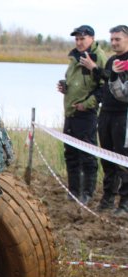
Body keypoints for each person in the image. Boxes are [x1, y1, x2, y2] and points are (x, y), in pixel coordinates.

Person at [57, 25, 106, 205]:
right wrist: (65, 87)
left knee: (87, 154)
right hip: (70, 112)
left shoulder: (98, 57)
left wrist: (87, 104)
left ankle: (87, 193)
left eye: (82, 38)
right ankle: (73, 191)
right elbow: (77, 82)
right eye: (76, 39)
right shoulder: (74, 58)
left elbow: (104, 86)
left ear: (91, 38)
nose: (78, 42)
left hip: (86, 115)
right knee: (70, 153)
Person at [83, 25, 128, 214]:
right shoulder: (112, 60)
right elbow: (107, 80)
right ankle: (108, 198)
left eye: (118, 39)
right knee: (107, 158)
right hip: (106, 113)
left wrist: (96, 68)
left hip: (123, 115)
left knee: (123, 160)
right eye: (112, 39)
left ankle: (125, 202)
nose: (114, 43)